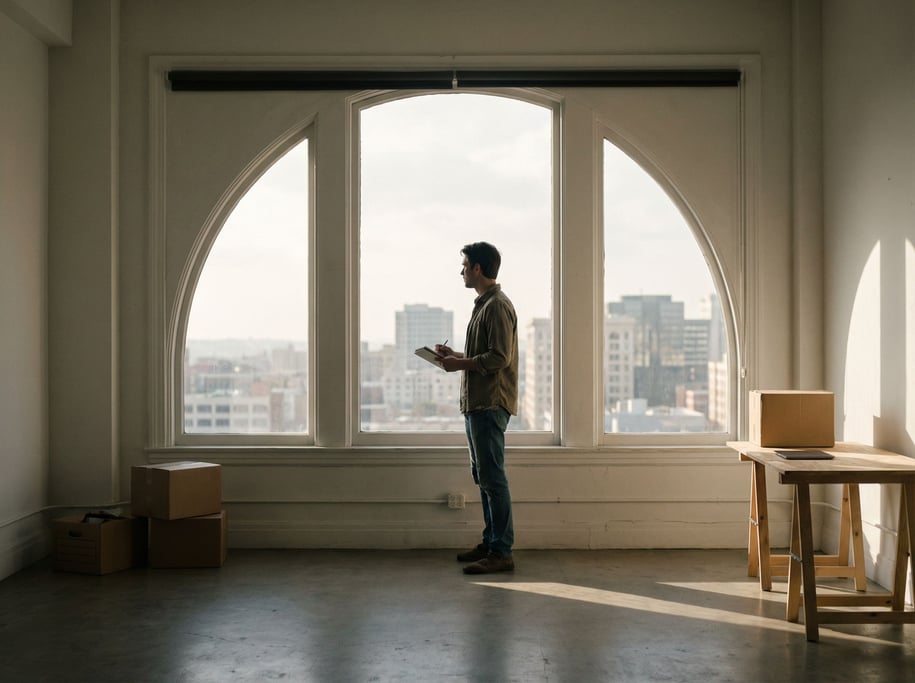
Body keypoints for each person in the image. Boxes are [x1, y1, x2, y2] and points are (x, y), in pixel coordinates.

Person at [436, 242, 519, 575]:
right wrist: (455, 355)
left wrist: (460, 364)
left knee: (493, 479)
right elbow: (484, 354)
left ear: (478, 269)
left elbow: (500, 357)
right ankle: (491, 543)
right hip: (477, 404)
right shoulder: (485, 305)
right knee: (484, 477)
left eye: (465, 265)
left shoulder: (497, 306)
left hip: (489, 404)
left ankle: (501, 551)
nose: (462, 271)